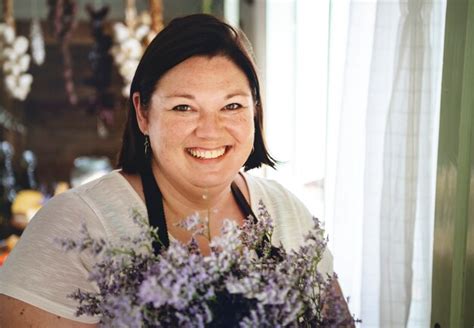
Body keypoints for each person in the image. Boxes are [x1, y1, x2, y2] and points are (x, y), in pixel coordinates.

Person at [0, 14, 347, 327]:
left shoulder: (286, 212)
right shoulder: (77, 225)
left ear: (255, 112)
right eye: (184, 107)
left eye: (232, 105)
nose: (210, 131)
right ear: (143, 114)